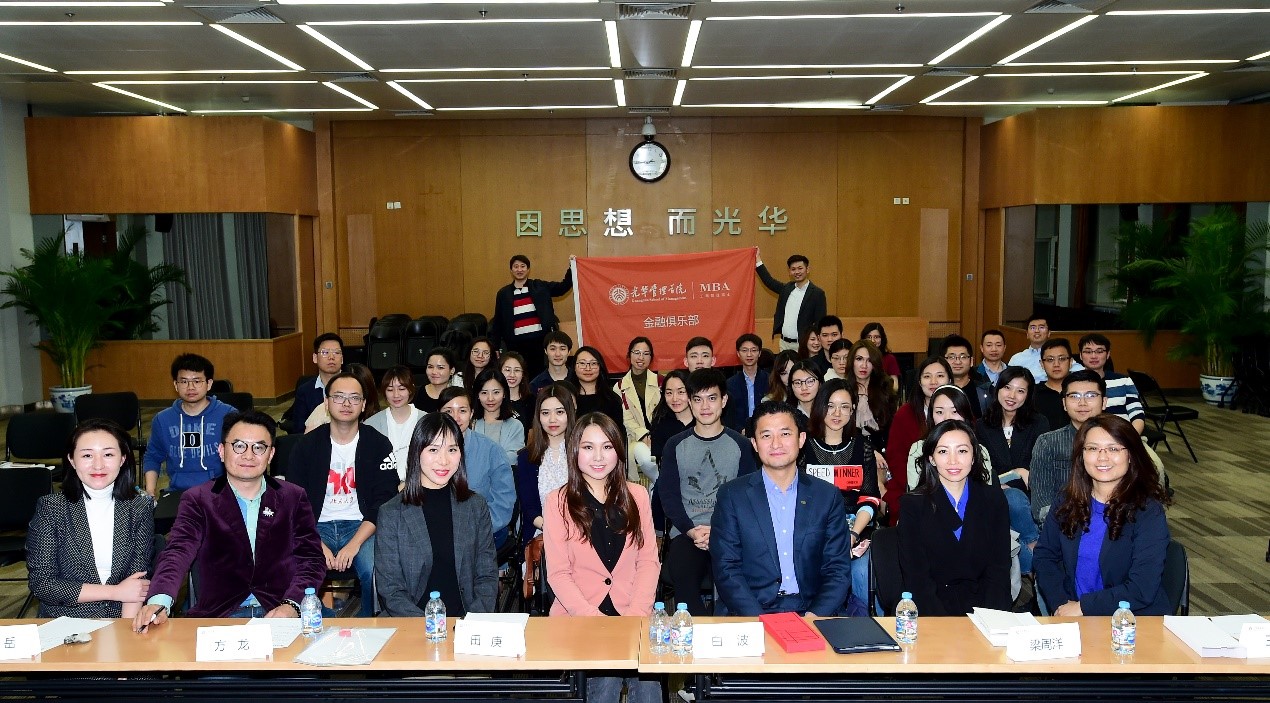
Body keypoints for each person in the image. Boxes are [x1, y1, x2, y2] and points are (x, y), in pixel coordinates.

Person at [134, 411, 326, 625]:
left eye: (259, 447)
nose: (248, 455)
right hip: (221, 615)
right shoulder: (198, 499)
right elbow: (178, 551)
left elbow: (311, 559)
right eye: (239, 446)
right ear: (221, 451)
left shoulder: (292, 496)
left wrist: (292, 605)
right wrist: (159, 601)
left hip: (280, 610)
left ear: (271, 454)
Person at [544, 413, 661, 703]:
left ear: (618, 451)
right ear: (575, 450)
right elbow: (558, 574)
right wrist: (596, 621)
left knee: (648, 684)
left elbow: (648, 561)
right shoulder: (557, 501)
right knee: (605, 681)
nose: (598, 457)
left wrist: (635, 616)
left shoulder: (637, 495)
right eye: (588, 447)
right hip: (580, 616)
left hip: (633, 612)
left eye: (607, 447)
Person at [710, 401, 851, 616]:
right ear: (754, 444)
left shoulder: (827, 496)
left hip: (810, 610)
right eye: (766, 436)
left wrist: (815, 616)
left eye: (785, 434)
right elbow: (726, 568)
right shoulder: (732, 495)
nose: (776, 444)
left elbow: (837, 569)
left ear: (801, 439)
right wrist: (759, 620)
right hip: (751, 611)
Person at [1034, 414, 1172, 616]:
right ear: (1081, 455)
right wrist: (1061, 604)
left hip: (1131, 620)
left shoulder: (1148, 511)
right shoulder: (1066, 501)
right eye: (1092, 448)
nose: (1102, 457)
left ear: (1131, 455)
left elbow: (1142, 587)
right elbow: (1045, 556)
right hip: (1072, 613)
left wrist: (1082, 607)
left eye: (1113, 449)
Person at [287, 372, 399, 617]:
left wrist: (354, 545)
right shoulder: (306, 446)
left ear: (363, 404)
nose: (346, 404)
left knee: (374, 570)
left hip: (362, 526)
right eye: (339, 397)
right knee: (297, 568)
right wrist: (317, 544)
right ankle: (324, 622)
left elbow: (384, 501)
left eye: (354, 398)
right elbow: (294, 502)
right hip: (316, 526)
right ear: (326, 403)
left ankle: (368, 623)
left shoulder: (378, 444)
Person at [27, 418, 154, 619]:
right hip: (65, 620)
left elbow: (137, 582)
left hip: (121, 617)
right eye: (87, 455)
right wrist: (114, 592)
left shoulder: (139, 507)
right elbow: (43, 584)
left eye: (108, 454)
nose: (98, 465)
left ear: (122, 459)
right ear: (71, 460)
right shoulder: (52, 508)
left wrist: (126, 632)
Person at [375, 412, 498, 617]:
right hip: (413, 622)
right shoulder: (391, 513)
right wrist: (430, 627)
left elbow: (487, 576)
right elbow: (391, 590)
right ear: (417, 452)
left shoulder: (475, 506)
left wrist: (472, 622)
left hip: (467, 621)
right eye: (433, 449)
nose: (443, 460)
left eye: (452, 450)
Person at [656, 368, 757, 615]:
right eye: (698, 399)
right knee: (683, 576)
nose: (705, 406)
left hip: (730, 534)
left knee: (736, 584)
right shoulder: (675, 445)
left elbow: (748, 498)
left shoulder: (741, 445)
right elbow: (669, 497)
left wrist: (719, 531)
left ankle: (728, 630)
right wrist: (691, 531)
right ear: (690, 402)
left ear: (724, 400)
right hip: (688, 533)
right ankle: (699, 632)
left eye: (712, 398)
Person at [898, 419, 1012, 615]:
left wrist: (990, 618)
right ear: (932, 458)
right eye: (943, 451)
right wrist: (944, 625)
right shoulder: (912, 505)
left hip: (984, 609)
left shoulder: (993, 499)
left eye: (962, 451)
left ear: (974, 456)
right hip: (933, 610)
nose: (953, 461)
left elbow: (999, 570)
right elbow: (917, 578)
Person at [802, 380, 879, 615]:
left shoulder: (863, 447)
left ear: (853, 410)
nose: (837, 413)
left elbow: (870, 498)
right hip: (813, 532)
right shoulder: (803, 447)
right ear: (819, 406)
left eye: (844, 407)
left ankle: (865, 627)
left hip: (855, 530)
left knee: (862, 573)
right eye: (830, 405)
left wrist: (852, 535)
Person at [976, 367, 1050, 573]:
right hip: (993, 491)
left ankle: (1032, 561)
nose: (1012, 395)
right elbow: (981, 465)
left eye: (1020, 391)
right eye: (1007, 388)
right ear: (998, 389)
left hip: (1029, 493)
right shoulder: (981, 425)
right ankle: (1036, 551)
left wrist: (1020, 476)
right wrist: (1006, 478)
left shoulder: (1039, 422)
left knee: (1014, 501)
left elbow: (1041, 465)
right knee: (1009, 505)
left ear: (1028, 395)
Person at [143, 353, 233, 499]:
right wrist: (150, 491)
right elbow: (153, 456)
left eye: (197, 381)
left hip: (219, 491)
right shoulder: (162, 419)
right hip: (177, 492)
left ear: (209, 384)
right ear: (175, 385)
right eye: (184, 381)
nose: (190, 387)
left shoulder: (228, 415)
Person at [438, 386, 516, 549]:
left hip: (485, 529)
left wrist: (473, 530)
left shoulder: (492, 451)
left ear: (472, 413)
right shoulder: (428, 451)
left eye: (462, 411)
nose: (456, 417)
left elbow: (503, 503)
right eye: (448, 411)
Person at [1030, 370, 1107, 530]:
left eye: (1091, 395)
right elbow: (1042, 505)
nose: (1082, 403)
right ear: (1064, 403)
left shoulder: (1120, 442)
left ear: (1104, 401)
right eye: (1074, 396)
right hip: (1064, 528)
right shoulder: (1048, 443)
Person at [882, 356, 952, 525]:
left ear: (950, 380)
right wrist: (919, 487)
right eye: (927, 376)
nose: (933, 381)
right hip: (910, 484)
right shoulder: (905, 414)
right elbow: (896, 458)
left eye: (940, 376)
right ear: (919, 382)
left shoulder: (960, 410)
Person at [514, 383, 577, 552]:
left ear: (570, 413)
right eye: (545, 413)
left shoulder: (583, 453)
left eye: (559, 412)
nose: (552, 419)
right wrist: (553, 529)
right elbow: (529, 508)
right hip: (541, 536)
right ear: (538, 417)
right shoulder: (526, 457)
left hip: (579, 534)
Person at [489, 254, 573, 379]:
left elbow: (562, 288)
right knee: (519, 376)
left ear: (528, 269)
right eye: (516, 266)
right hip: (515, 344)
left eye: (523, 266)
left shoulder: (540, 286)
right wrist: (494, 346)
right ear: (511, 270)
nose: (519, 269)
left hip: (539, 342)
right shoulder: (503, 294)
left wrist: (572, 268)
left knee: (539, 376)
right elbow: (498, 321)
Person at [755, 252, 827, 352]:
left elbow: (820, 321)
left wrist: (814, 342)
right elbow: (769, 281)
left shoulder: (817, 294)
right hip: (784, 344)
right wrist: (757, 260)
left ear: (807, 269)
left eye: (800, 268)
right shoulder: (786, 289)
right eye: (793, 269)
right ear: (789, 272)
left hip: (804, 345)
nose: (797, 272)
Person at [365, 365, 425, 483]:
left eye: (401, 389)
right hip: (382, 486)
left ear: (411, 389)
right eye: (390, 389)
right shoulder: (371, 425)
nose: (396, 395)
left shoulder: (426, 420)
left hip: (419, 485)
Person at [1078, 333, 1146, 434]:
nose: (1093, 356)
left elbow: (1137, 415)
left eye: (1099, 351)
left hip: (1123, 435)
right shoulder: (1074, 383)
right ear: (1080, 355)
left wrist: (1130, 439)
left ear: (1108, 354)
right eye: (1088, 352)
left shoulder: (1124, 381)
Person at [614, 337, 661, 482]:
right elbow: (626, 419)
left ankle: (656, 487)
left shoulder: (661, 382)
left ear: (651, 357)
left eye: (646, 353)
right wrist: (644, 435)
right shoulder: (619, 387)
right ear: (629, 355)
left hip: (660, 434)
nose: (641, 357)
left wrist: (656, 434)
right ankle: (659, 484)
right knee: (647, 458)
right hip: (635, 438)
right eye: (637, 353)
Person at [850, 339, 897, 482]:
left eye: (869, 360)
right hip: (852, 449)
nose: (864, 365)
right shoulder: (843, 391)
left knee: (879, 480)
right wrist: (870, 451)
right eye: (859, 359)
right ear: (852, 361)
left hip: (882, 451)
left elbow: (890, 431)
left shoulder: (885, 391)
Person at [284, 332, 344, 434]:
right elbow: (298, 430)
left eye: (336, 352)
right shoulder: (305, 390)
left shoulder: (354, 386)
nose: (331, 357)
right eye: (325, 352)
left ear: (342, 359)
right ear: (315, 358)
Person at [472, 367, 526, 466]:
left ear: (504, 393)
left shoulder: (515, 426)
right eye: (484, 393)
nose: (490, 398)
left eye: (496, 392)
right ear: (477, 395)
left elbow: (514, 457)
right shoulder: (470, 424)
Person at [305, 362, 380, 432]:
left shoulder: (376, 415)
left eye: (354, 397)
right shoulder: (322, 411)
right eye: (341, 395)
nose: (347, 403)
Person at [1008, 314, 1084, 383]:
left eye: (1041, 327)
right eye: (1033, 328)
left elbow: (1080, 371)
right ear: (1027, 334)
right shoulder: (1017, 358)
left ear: (1049, 333)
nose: (1037, 331)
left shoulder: (1059, 355)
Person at [725, 333, 769, 433]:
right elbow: (728, 416)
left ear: (760, 353)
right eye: (744, 350)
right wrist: (740, 430)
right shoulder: (730, 384)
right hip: (739, 434)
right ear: (738, 353)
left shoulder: (770, 380)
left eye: (753, 350)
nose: (749, 354)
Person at [939, 334, 991, 418]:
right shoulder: (937, 390)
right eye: (951, 357)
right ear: (942, 361)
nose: (958, 362)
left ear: (971, 361)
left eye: (963, 357)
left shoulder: (985, 390)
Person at [572, 346, 624, 429]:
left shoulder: (612, 399)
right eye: (582, 363)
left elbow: (618, 431)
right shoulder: (567, 396)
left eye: (593, 363)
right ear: (574, 366)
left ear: (600, 367)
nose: (588, 368)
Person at [1032, 338, 1078, 430]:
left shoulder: (1081, 391)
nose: (1056, 364)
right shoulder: (1032, 393)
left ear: (1071, 362)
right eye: (1050, 360)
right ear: (1042, 364)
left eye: (1062, 359)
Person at [648, 370, 693, 463]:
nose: (674, 398)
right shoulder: (660, 423)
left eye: (681, 392)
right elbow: (659, 460)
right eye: (669, 393)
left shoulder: (703, 421)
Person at [415, 347, 461, 414]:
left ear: (452, 370)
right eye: (430, 367)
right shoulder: (414, 393)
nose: (434, 372)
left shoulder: (459, 397)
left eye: (440, 367)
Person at [500, 351, 535, 433]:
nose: (512, 375)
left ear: (523, 374)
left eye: (517, 370)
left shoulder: (532, 401)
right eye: (507, 370)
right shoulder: (493, 400)